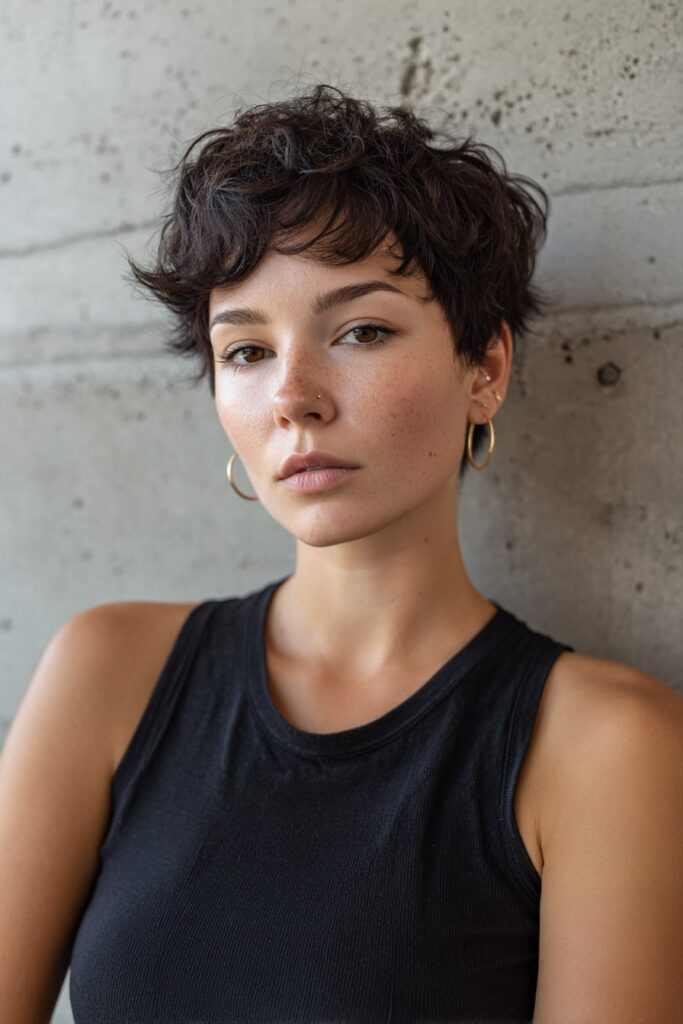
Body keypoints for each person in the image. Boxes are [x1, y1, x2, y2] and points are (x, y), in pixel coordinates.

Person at [1, 84, 682, 1024]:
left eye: (361, 331)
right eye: (245, 351)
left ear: (483, 368)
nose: (293, 397)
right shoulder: (107, 671)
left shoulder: (603, 745)